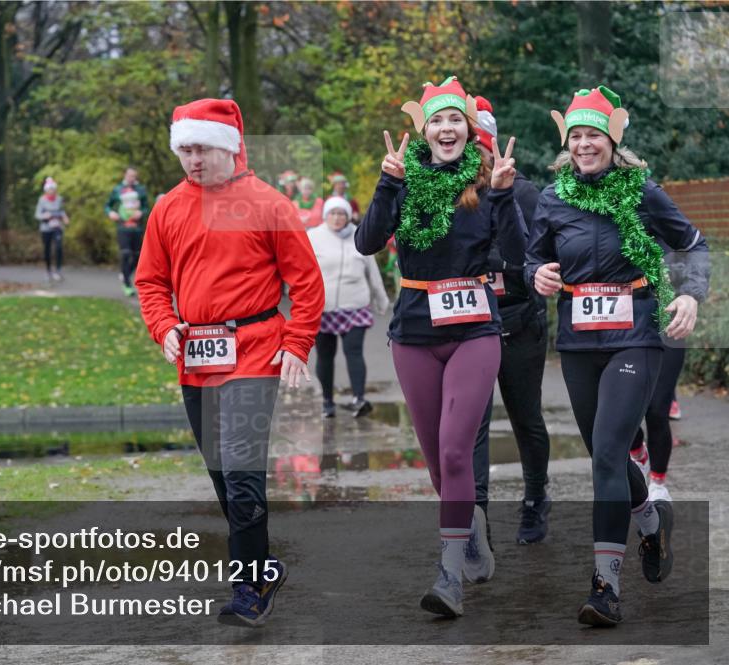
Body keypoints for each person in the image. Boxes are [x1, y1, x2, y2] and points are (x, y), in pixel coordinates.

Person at [136, 98, 324, 627]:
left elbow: (306, 282)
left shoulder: (269, 204)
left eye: (201, 149)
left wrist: (296, 342)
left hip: (255, 348)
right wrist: (164, 326)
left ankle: (248, 588)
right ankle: (263, 567)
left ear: (227, 147)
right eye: (185, 150)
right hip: (196, 356)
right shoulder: (167, 207)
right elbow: (150, 281)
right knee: (222, 474)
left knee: (241, 471)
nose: (192, 159)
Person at [527, 85, 709, 627]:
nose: (585, 144)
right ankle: (650, 523)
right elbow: (533, 257)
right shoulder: (553, 198)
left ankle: (605, 586)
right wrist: (534, 274)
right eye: (576, 136)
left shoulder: (642, 191)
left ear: (612, 141)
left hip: (636, 333)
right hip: (580, 342)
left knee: (607, 452)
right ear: (567, 143)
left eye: (594, 135)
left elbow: (692, 243)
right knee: (606, 456)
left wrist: (689, 294)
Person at [356, 76, 525, 618]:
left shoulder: (487, 179)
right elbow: (365, 242)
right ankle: (469, 529)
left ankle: (449, 574)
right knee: (437, 464)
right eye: (437, 120)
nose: (446, 128)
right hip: (413, 333)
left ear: (469, 129)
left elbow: (519, 255)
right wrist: (387, 184)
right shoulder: (404, 180)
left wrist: (503, 193)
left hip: (475, 330)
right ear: (423, 129)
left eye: (456, 120)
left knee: (457, 451)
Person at [468, 96, 553, 545]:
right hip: (470, 326)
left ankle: (536, 498)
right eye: (470, 148)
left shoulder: (523, 191)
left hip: (519, 322)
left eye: (482, 147)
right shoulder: (452, 193)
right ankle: (477, 518)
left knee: (525, 417)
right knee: (474, 425)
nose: (477, 157)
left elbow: (539, 255)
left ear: (493, 144)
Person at [308, 196, 389, 418]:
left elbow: (373, 272)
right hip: (322, 307)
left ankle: (359, 398)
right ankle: (327, 401)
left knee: (353, 352)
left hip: (355, 304)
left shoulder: (359, 235)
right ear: (326, 216)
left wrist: (382, 301)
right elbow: (302, 272)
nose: (337, 218)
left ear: (347, 216)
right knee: (325, 356)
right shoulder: (313, 237)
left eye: (341, 214)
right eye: (332, 213)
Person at [628, 240, 693, 503]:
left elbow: (693, 275)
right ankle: (637, 450)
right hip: (627, 331)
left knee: (657, 408)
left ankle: (657, 483)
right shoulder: (616, 224)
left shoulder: (672, 229)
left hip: (668, 330)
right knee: (627, 409)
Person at [105, 167, 149, 296]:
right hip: (122, 227)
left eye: (134, 176)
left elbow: (146, 207)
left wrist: (141, 212)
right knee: (125, 254)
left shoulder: (140, 190)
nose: (132, 178)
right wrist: (111, 213)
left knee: (137, 256)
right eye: (130, 176)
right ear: (125, 175)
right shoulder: (117, 190)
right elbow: (108, 205)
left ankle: (125, 274)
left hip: (137, 228)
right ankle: (127, 285)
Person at [34, 176, 69, 281]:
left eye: (53, 189)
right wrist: (45, 216)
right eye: (50, 189)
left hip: (57, 226)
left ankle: (58, 270)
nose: (52, 191)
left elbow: (62, 210)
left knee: (58, 247)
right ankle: (48, 270)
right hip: (46, 228)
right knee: (47, 250)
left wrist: (65, 217)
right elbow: (37, 214)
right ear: (46, 190)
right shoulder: (42, 200)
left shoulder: (59, 199)